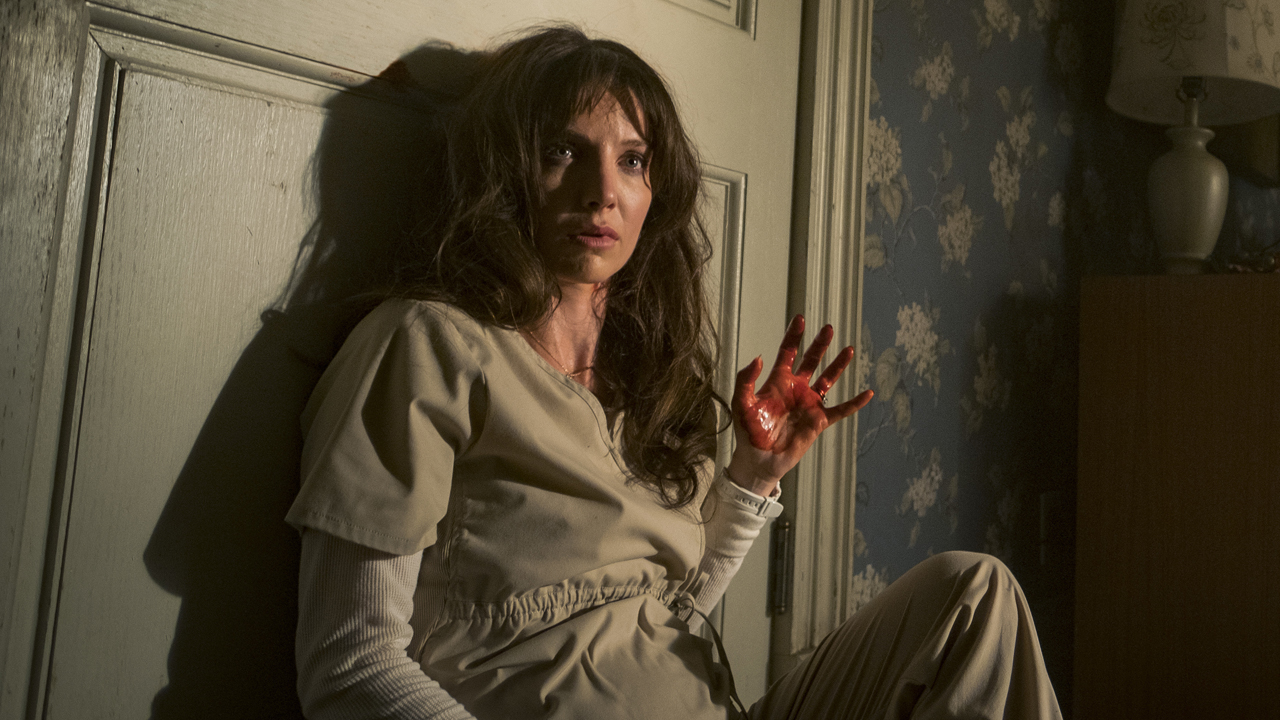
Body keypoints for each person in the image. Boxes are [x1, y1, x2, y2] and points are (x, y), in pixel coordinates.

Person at [286, 25, 1063, 720]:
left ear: (656, 192)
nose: (602, 191)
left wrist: (753, 477)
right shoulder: (428, 347)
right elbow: (351, 663)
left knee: (973, 594)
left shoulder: (647, 380)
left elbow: (668, 616)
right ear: (506, 171)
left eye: (632, 160)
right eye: (562, 152)